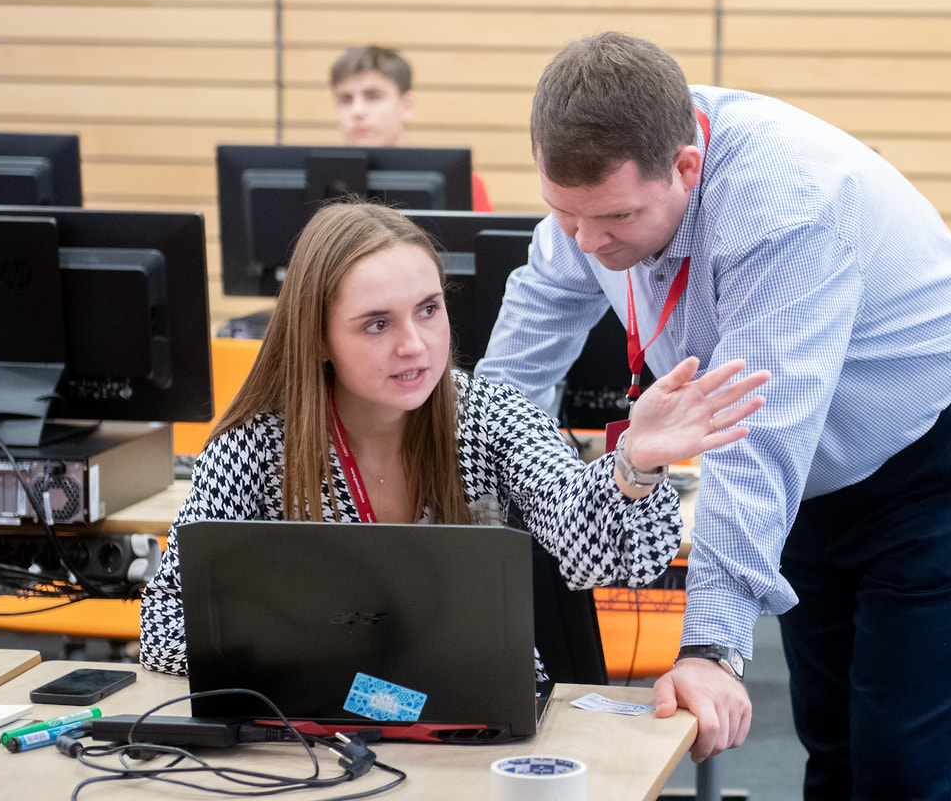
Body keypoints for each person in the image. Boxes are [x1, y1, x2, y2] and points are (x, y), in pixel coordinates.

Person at [475, 32, 951, 800]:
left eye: (613, 217)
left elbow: (759, 440)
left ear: (685, 167)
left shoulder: (784, 206)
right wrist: (454, 500)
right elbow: (513, 373)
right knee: (834, 742)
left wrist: (710, 648)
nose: (586, 241)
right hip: (822, 473)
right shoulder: (594, 204)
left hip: (948, 453)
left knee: (901, 762)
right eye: (563, 214)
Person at [140, 201, 768, 678]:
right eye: (376, 324)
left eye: (429, 309)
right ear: (318, 340)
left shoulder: (484, 412)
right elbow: (165, 626)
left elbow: (601, 553)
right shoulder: (257, 445)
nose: (414, 345)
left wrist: (635, 464)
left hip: (476, 717)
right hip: (308, 725)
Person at [330, 45, 494, 211]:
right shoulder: (317, 179)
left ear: (407, 105)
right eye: (345, 99)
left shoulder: (467, 185)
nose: (356, 111)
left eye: (373, 96)